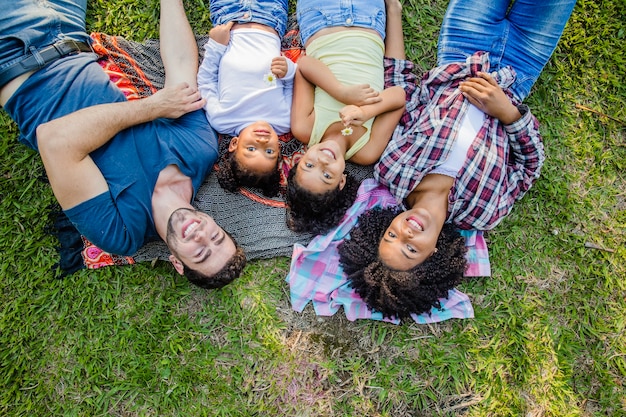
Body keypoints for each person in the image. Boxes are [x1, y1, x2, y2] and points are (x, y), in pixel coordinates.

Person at [337, 0, 577, 317]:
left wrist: (393, 11)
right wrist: (506, 111)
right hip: (520, 69)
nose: (405, 233)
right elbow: (529, 165)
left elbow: (403, 86)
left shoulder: (392, 169)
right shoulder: (484, 213)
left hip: (463, 47)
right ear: (433, 255)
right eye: (410, 249)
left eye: (391, 235)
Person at [0, 0, 246, 289]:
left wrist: (153, 108)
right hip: (68, 27)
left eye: (202, 253)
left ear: (177, 263)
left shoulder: (120, 232)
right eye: (216, 237)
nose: (201, 236)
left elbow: (55, 141)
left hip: (16, 53)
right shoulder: (199, 152)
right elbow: (180, 67)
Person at [285, 0, 407, 235]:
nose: (322, 161)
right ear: (341, 181)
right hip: (369, 20)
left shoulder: (306, 128)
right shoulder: (366, 151)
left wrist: (341, 92)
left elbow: (305, 65)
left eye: (309, 165)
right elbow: (399, 96)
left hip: (321, 19)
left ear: (298, 160)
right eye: (327, 174)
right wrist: (366, 112)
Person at [197, 0, 295, 197]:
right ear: (279, 150)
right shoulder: (284, 121)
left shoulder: (221, 119)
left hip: (229, 19)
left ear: (234, 144)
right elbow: (293, 85)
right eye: (269, 152)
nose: (262, 141)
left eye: (251, 148)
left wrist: (215, 45)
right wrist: (289, 70)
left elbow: (206, 81)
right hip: (270, 18)